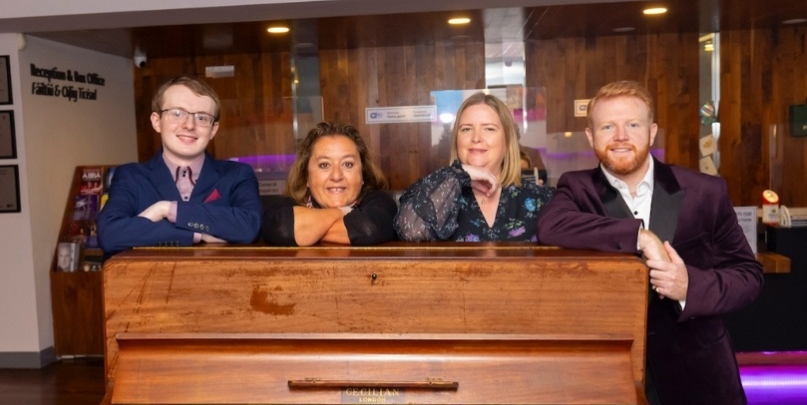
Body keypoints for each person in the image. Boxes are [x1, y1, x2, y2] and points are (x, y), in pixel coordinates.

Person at [536, 80, 763, 405]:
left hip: (696, 380)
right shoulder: (575, 189)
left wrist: (690, 288)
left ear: (653, 130)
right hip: (611, 385)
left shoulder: (705, 191)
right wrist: (639, 236)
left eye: (632, 124)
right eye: (607, 126)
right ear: (590, 136)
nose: (620, 135)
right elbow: (551, 227)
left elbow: (747, 275)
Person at [97, 75, 263, 256]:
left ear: (213, 129)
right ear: (156, 121)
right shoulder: (130, 176)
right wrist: (195, 234)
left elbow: (249, 227)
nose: (189, 125)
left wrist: (166, 209)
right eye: (177, 113)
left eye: (202, 117)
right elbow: (110, 235)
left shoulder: (238, 174)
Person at [394, 92, 553, 242]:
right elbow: (409, 229)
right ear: (457, 141)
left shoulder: (539, 199)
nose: (476, 138)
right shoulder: (440, 197)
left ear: (507, 141)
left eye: (489, 129)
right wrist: (459, 174)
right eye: (466, 129)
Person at [262, 122, 396, 246]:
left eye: (348, 164)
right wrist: (342, 212)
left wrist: (306, 230)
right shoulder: (284, 207)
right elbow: (283, 228)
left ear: (363, 174)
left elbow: (368, 229)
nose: (336, 176)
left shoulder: (380, 203)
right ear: (306, 177)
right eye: (324, 165)